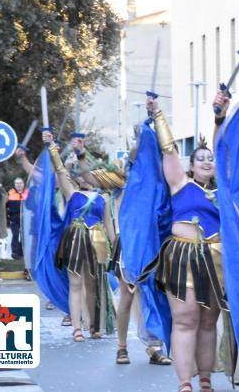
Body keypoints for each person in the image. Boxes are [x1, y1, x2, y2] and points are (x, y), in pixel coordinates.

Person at [143, 97, 227, 392]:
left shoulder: (225, 193)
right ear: (191, 165)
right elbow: (168, 150)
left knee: (208, 322)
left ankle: (205, 378)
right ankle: (184, 382)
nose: (206, 161)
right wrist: (158, 116)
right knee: (185, 319)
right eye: (200, 158)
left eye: (211, 158)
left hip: (216, 259)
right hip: (182, 257)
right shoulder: (180, 184)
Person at [71, 136, 171, 366]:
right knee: (127, 297)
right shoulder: (121, 182)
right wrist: (81, 155)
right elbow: (88, 176)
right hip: (128, 248)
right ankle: (122, 347)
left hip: (154, 249)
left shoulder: (159, 184)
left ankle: (155, 347)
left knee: (154, 297)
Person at [42, 130, 115, 342]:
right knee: (76, 284)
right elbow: (59, 169)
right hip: (75, 240)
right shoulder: (71, 193)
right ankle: (76, 327)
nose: (83, 175)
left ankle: (92, 324)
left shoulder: (104, 198)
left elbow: (109, 226)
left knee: (93, 285)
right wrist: (52, 146)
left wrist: (117, 249)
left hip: (97, 243)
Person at [6, 177, 28, 259]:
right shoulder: (10, 193)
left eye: (20, 183)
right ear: (14, 184)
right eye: (17, 183)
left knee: (24, 235)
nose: (18, 185)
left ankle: (21, 252)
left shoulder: (27, 193)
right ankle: (15, 252)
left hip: (25, 217)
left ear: (23, 184)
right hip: (14, 217)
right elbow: (5, 205)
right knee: (15, 235)